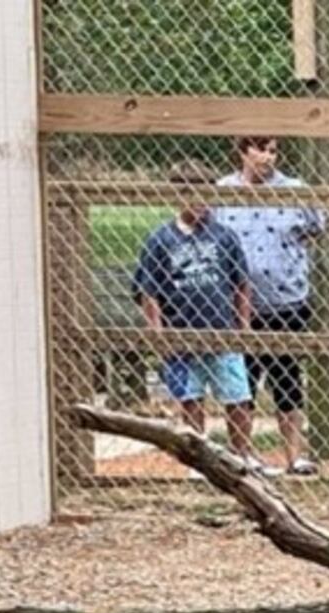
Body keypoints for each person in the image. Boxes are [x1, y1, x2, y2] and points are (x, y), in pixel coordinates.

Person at [133, 161, 273, 476]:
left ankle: (240, 455)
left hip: (221, 332)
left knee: (237, 396)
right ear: (177, 197)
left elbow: (240, 285)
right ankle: (199, 459)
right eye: (193, 196)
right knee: (191, 398)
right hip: (181, 334)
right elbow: (149, 292)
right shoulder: (160, 240)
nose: (201, 204)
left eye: (206, 197)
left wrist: (243, 326)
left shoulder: (225, 237)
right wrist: (157, 333)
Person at [214, 137, 327, 476]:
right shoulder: (223, 190)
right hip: (237, 305)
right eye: (260, 150)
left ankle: (295, 455)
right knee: (241, 379)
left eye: (273, 150)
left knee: (287, 378)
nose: (267, 157)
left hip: (286, 300)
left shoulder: (294, 189)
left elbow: (315, 228)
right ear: (242, 152)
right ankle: (244, 455)